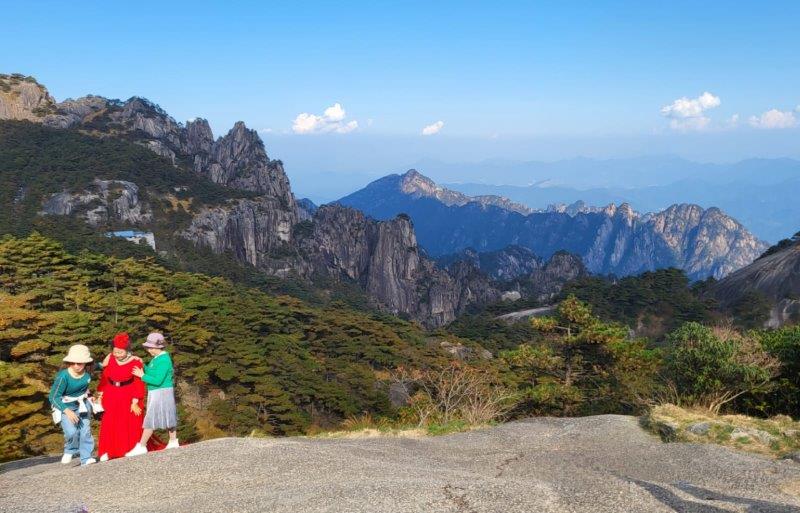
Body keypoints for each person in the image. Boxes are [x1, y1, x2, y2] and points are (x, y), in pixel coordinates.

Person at [127, 332, 179, 456]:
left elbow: (157, 380)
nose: (148, 350)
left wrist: (142, 375)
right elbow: (153, 371)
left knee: (151, 417)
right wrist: (143, 365)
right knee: (168, 414)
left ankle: (142, 445)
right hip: (157, 392)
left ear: (158, 347)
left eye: (150, 347)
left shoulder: (164, 360)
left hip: (161, 391)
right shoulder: (157, 359)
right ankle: (173, 441)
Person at [96, 332, 145, 461]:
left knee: (127, 421)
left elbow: (138, 382)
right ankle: (106, 451)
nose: (117, 354)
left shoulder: (135, 362)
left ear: (127, 351)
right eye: (115, 351)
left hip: (128, 393)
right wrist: (99, 393)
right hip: (111, 392)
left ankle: (128, 448)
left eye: (120, 352)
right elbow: (105, 376)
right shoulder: (110, 358)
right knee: (109, 421)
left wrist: (135, 401)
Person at [48, 344, 96, 466]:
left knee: (85, 431)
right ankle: (70, 449)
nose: (76, 366)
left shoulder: (88, 372)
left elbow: (106, 363)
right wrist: (67, 411)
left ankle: (86, 458)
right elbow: (53, 397)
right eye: (73, 363)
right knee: (72, 432)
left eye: (79, 363)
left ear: (86, 363)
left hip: (83, 405)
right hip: (66, 406)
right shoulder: (63, 376)